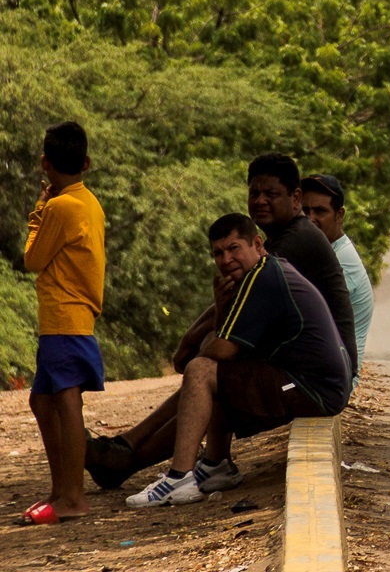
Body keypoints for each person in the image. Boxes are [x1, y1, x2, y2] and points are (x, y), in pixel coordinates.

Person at [87, 154, 356, 490]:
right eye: (254, 193)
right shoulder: (276, 240)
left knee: (206, 373)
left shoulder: (293, 244)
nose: (260, 201)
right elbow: (230, 303)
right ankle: (129, 448)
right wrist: (198, 340)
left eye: (271, 194)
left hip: (316, 374)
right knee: (207, 374)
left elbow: (228, 318)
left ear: (295, 199)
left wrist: (189, 345)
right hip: (297, 362)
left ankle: (135, 462)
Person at [126, 214, 350, 508]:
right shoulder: (262, 274)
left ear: (257, 244)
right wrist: (219, 315)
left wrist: (205, 346)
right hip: (312, 382)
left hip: (313, 388)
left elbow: (221, 348)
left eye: (234, 249)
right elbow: (228, 349)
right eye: (218, 253)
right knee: (220, 375)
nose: (226, 259)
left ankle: (179, 478)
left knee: (201, 372)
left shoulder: (263, 276)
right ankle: (215, 465)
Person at [19, 122, 105, 526]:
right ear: (86, 163)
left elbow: (33, 259)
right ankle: (61, 491)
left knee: (67, 401)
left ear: (45, 163)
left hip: (64, 315)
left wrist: (38, 208)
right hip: (71, 315)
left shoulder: (59, 207)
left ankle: (73, 497)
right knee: (42, 401)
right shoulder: (89, 201)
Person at [301, 175, 373, 382]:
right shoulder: (319, 252)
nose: (310, 218)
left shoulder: (340, 261)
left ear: (339, 215)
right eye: (305, 211)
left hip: (332, 381)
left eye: (320, 211)